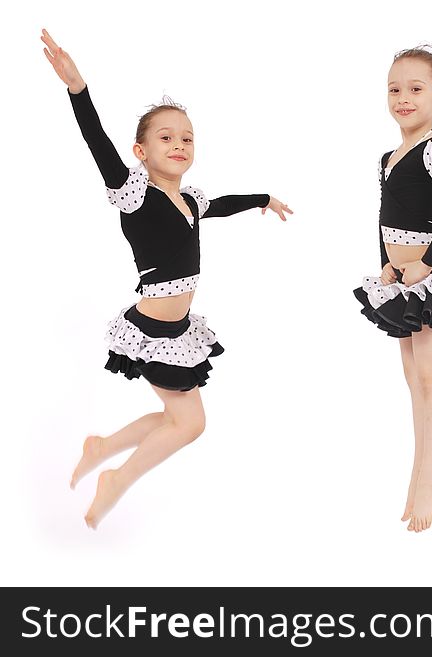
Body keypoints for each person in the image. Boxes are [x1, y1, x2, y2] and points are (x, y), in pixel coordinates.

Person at [42, 29, 293, 528]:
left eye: (187, 137)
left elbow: (218, 206)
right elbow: (97, 143)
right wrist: (78, 90)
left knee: (180, 420)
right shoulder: (134, 194)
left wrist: (261, 199)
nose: (178, 144)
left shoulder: (190, 200)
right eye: (165, 137)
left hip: (178, 332)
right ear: (140, 151)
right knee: (190, 423)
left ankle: (104, 448)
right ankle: (114, 476)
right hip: (152, 333)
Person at [353, 46, 432, 532]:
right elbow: (385, 218)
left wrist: (425, 264)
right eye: (394, 88)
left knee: (431, 378)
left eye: (416, 89)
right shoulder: (389, 156)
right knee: (412, 379)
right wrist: (385, 265)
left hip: (429, 277)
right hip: (401, 280)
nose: (403, 97)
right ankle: (421, 470)